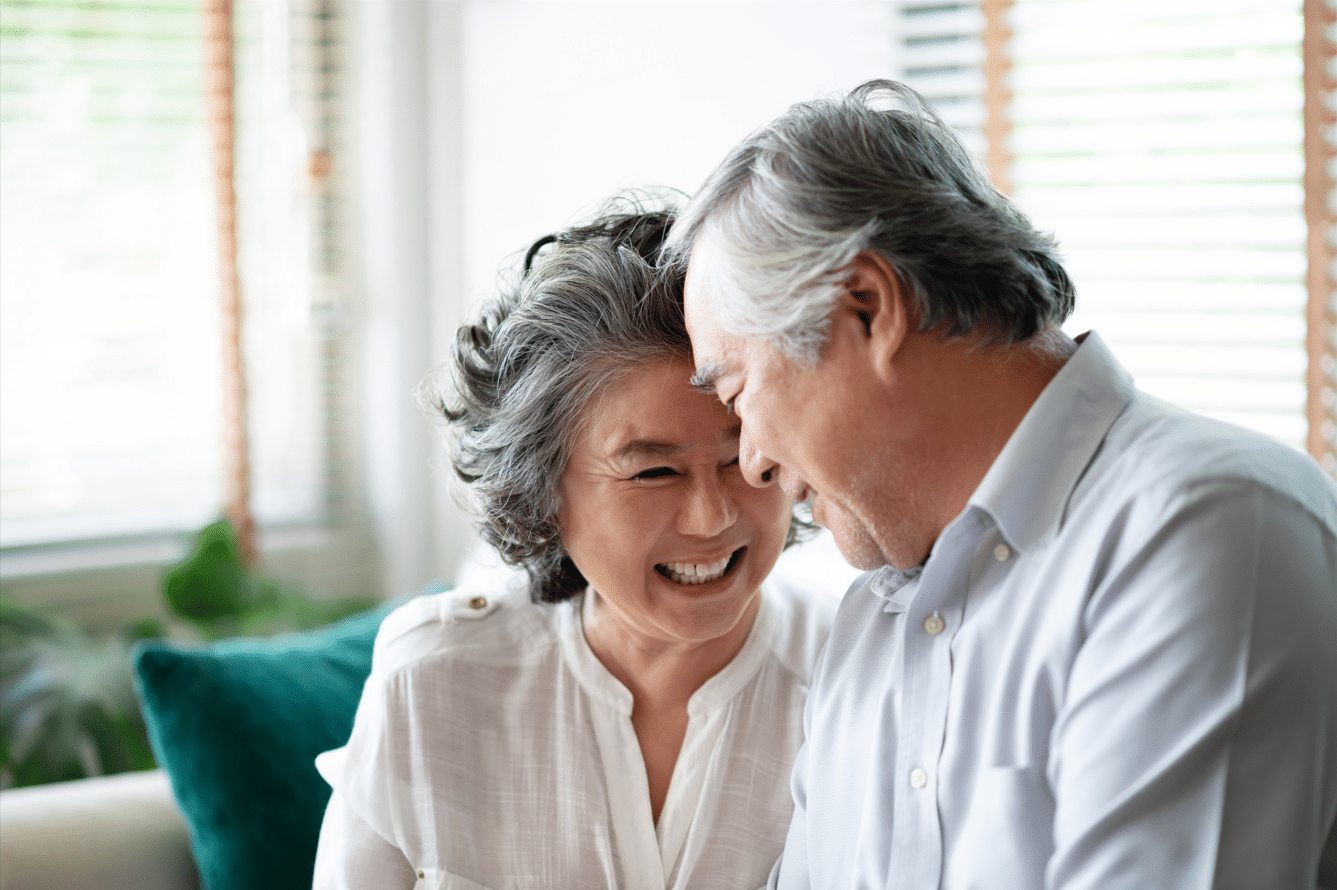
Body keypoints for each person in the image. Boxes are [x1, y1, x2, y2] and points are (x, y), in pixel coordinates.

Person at [670, 80, 1337, 889]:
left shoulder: (1205, 526)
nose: (753, 464)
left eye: (739, 394)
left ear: (867, 309)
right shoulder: (871, 624)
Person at [310, 202, 834, 889]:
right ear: (543, 492)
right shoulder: (433, 678)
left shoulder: (852, 677)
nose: (710, 519)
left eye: (739, 458)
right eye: (653, 472)